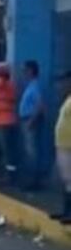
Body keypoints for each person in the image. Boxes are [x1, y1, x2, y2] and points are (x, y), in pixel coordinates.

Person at [19, 60, 46, 189]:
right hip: (28, 120)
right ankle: (31, 180)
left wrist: (31, 121)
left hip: (30, 120)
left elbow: (40, 106)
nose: (23, 73)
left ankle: (33, 182)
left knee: (31, 152)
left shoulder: (34, 86)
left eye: (25, 70)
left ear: (31, 71)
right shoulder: (31, 86)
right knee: (29, 151)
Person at [51, 77, 71, 222]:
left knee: (69, 179)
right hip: (63, 144)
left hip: (68, 145)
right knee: (65, 180)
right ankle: (66, 211)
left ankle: (69, 213)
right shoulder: (68, 99)